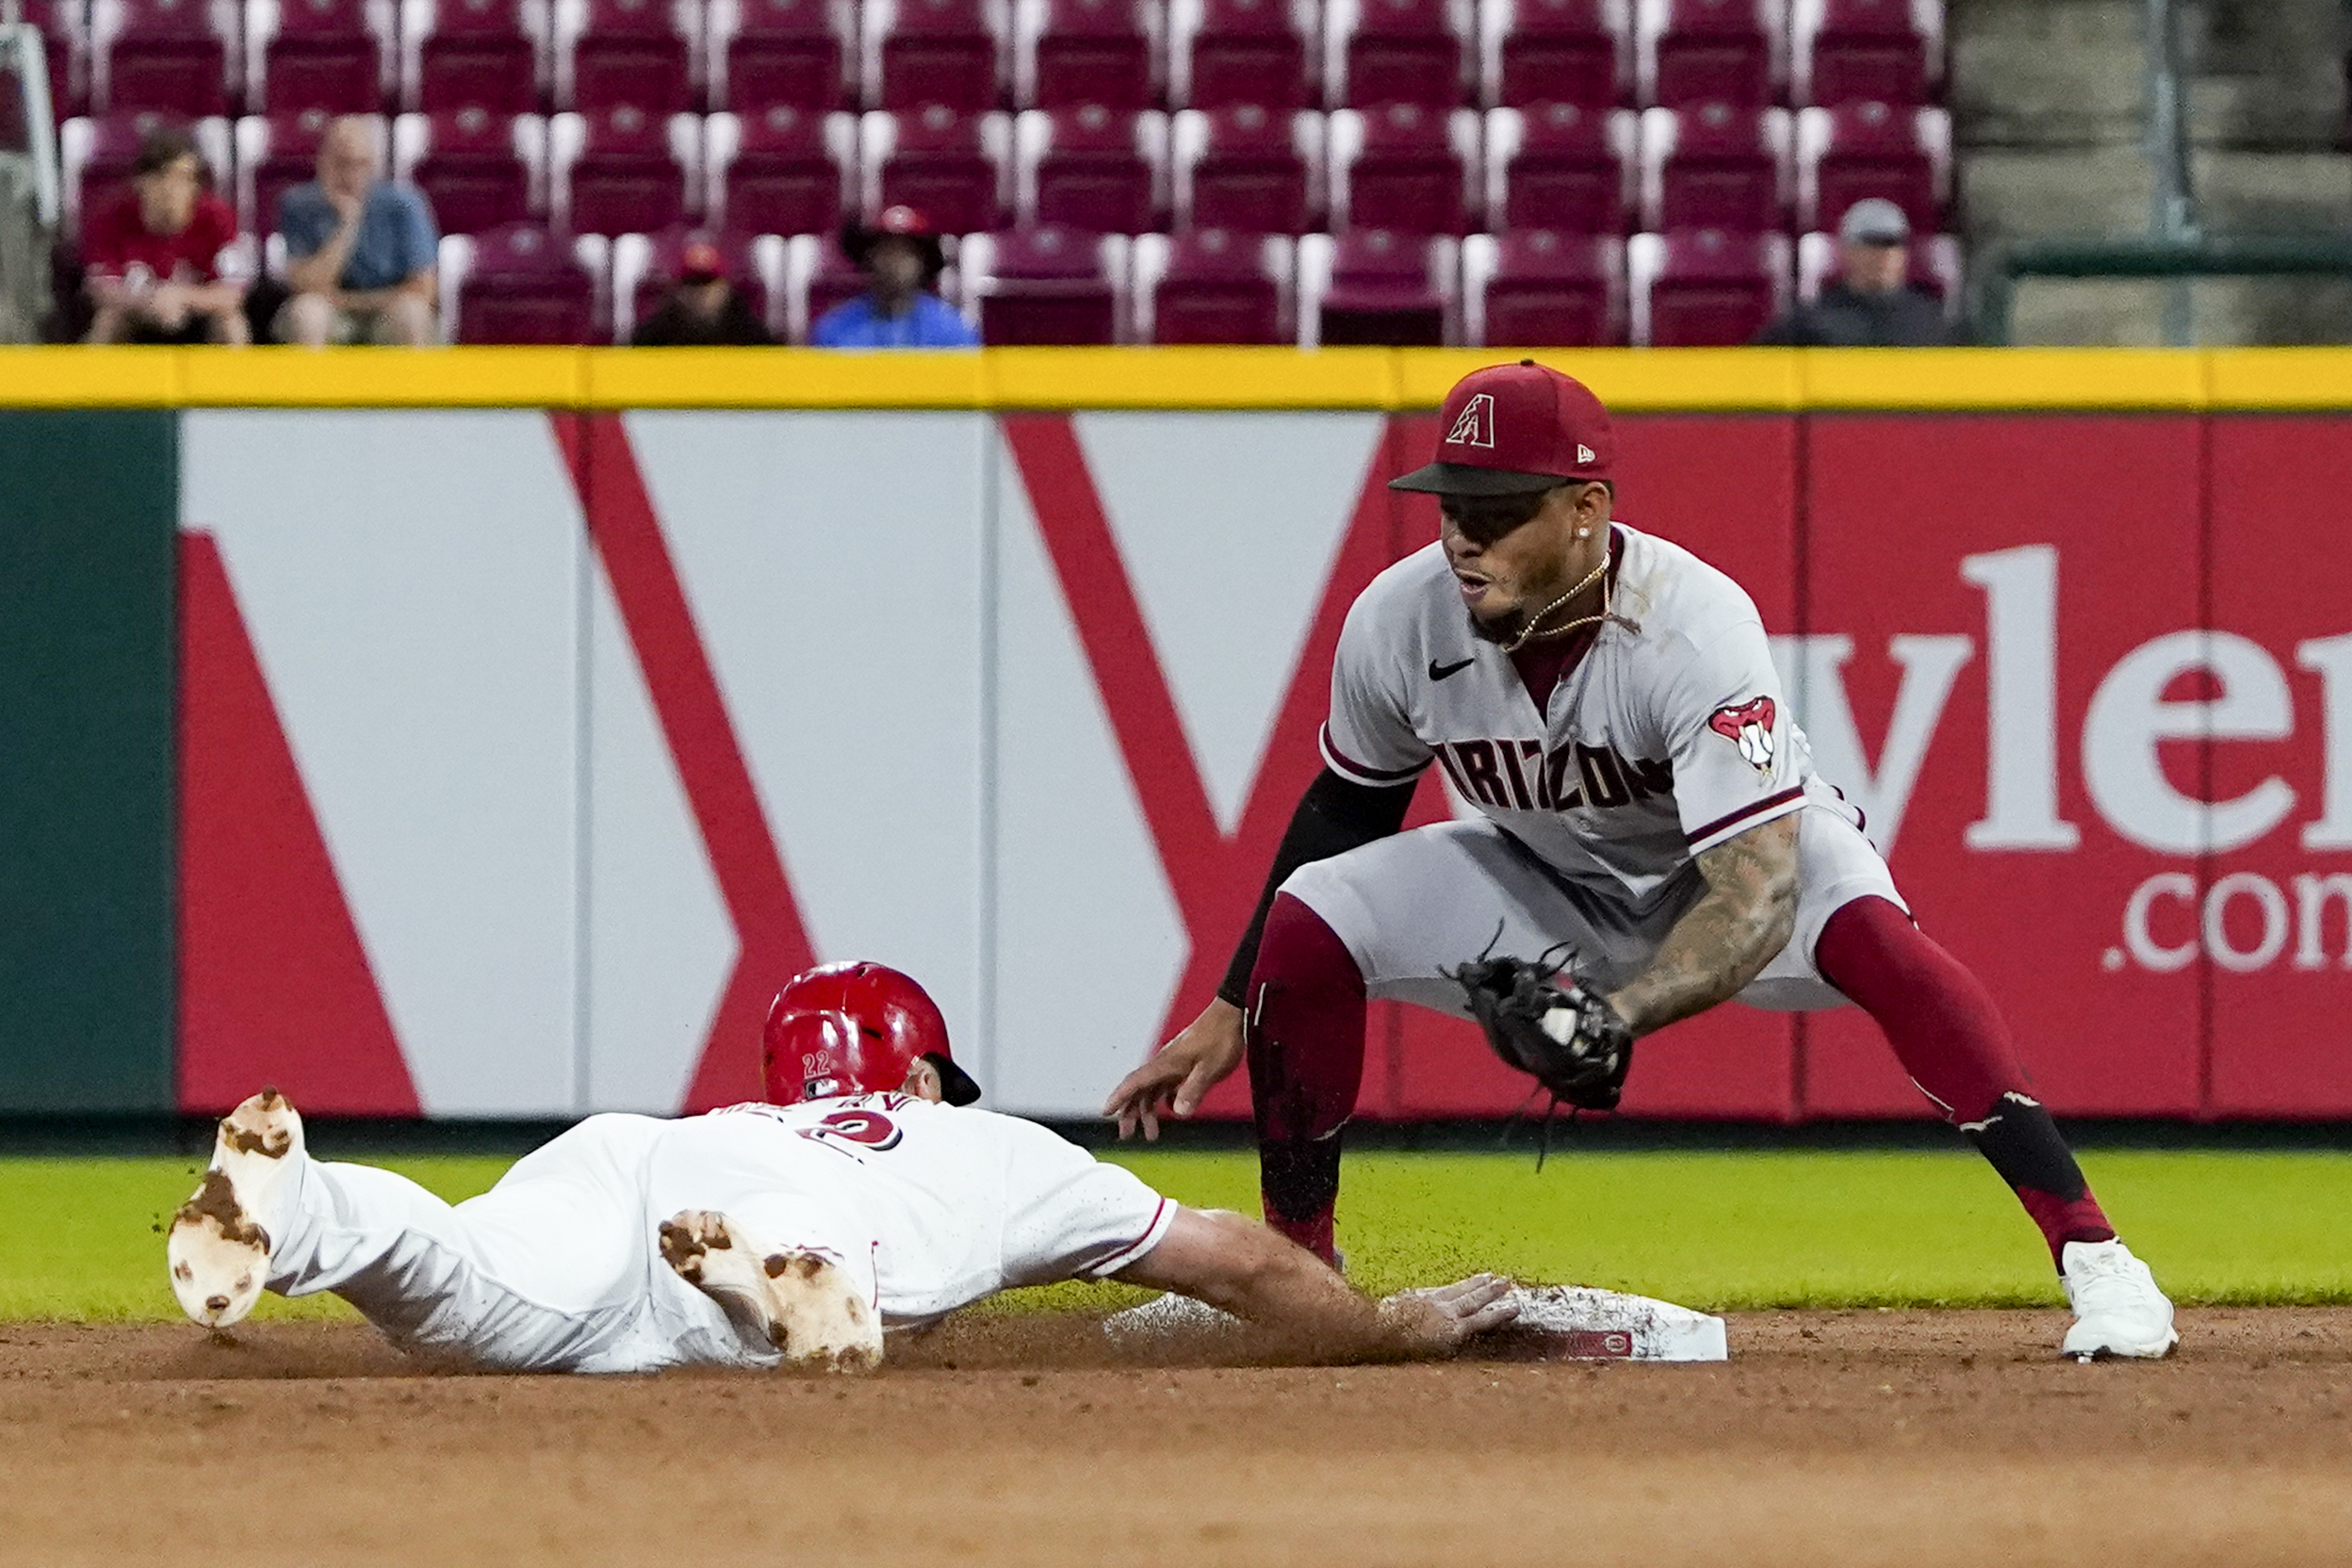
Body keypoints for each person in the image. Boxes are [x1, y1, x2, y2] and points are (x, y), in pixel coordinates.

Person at [1104, 360, 2180, 1363]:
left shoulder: (1694, 624)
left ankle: (2098, 1257)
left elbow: (1755, 897)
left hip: (1732, 866)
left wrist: (1616, 1013)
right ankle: (1299, 1279)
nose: (1464, 542)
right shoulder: (1398, 618)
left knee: (1879, 944)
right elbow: (1350, 800)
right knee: (1311, 915)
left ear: (1587, 512)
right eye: (1451, 510)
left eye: (1499, 513)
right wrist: (1232, 1000)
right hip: (1539, 875)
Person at [167, 961, 1514, 1373]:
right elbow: (1227, 1255)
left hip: (627, 1157)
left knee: (462, 1282)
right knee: (825, 1265)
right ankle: (796, 1290)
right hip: (801, 1217)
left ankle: (311, 1206)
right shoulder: (985, 1143)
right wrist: (1377, 1327)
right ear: (921, 1074)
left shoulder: (732, 1118)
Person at [273, 116, 439, 346]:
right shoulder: (298, 204)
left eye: (360, 164)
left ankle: (412, 383)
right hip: (332, 313)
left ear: (373, 164)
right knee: (307, 313)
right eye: (342, 163)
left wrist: (352, 302)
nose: (351, 174)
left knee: (412, 314)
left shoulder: (404, 204)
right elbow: (303, 286)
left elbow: (423, 290)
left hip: (386, 308)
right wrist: (347, 225)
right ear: (323, 161)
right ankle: (307, 383)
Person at [80, 125, 249, 345]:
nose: (171, 189)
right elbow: (102, 290)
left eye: (183, 178)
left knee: (231, 323)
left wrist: (181, 296)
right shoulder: (110, 217)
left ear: (195, 185)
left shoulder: (217, 217)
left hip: (197, 313)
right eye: (161, 177)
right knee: (107, 320)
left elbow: (232, 295)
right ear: (140, 181)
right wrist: (149, 300)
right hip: (137, 310)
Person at [1751, 198, 1965, 347]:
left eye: (1891, 244)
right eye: (1870, 244)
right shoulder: (1811, 323)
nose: (1882, 255)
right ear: (1846, 251)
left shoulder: (1932, 322)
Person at [809, 205, 979, 349]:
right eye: (886, 252)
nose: (894, 263)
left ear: (923, 263)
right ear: (868, 260)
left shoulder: (953, 333)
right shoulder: (835, 330)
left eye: (905, 253)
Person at [630, 236, 776, 346]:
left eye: (707, 283)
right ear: (678, 288)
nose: (700, 292)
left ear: (724, 286)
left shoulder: (745, 327)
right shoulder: (659, 329)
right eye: (692, 284)